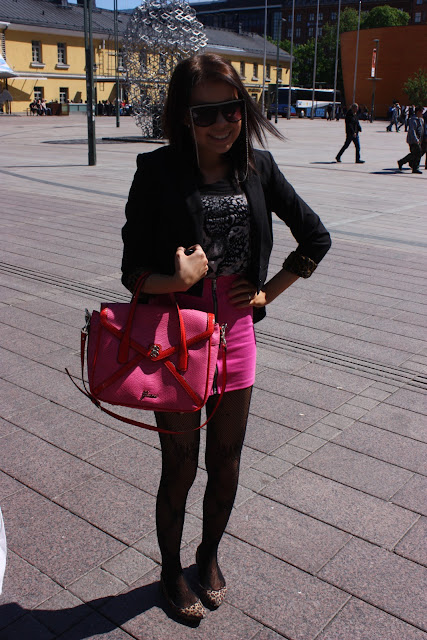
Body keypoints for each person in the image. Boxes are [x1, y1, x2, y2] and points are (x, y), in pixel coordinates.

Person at [121, 53, 331, 623]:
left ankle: (208, 555)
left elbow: (315, 237)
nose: (221, 123)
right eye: (204, 113)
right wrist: (176, 281)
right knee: (180, 465)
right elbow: (131, 271)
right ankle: (170, 570)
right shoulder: (157, 172)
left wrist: (267, 293)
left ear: (245, 108)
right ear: (182, 117)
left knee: (227, 462)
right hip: (176, 342)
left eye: (231, 109)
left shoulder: (259, 167)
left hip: (236, 337)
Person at [398, 106, 424, 174]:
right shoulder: (412, 120)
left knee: (414, 154)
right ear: (418, 112)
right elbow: (412, 131)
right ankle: (415, 168)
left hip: (419, 139)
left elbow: (422, 130)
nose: (422, 114)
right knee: (418, 153)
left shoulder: (421, 120)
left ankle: (401, 162)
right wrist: (416, 139)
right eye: (421, 112)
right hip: (413, 140)